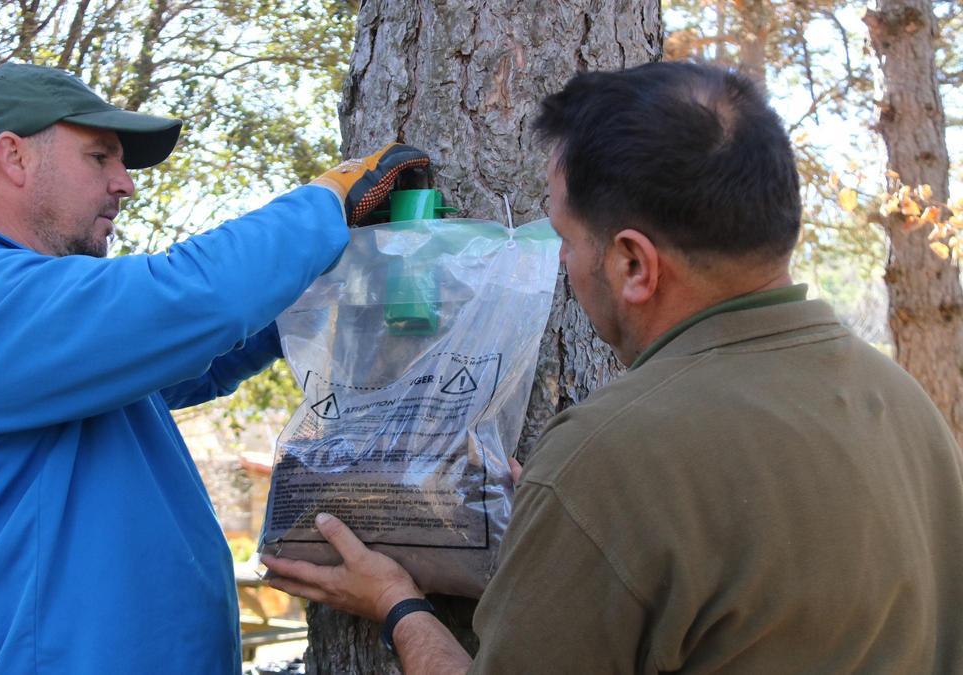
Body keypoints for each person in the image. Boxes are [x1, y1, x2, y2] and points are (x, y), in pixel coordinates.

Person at [262, 61, 963, 673]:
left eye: (564, 238)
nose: (563, 265)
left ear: (632, 263)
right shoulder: (907, 408)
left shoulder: (610, 458)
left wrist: (395, 603)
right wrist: (555, 547)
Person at [0, 62, 427, 673]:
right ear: (14, 156)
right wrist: (324, 206)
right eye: (100, 157)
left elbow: (202, 352)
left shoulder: (38, 317)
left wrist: (324, 271)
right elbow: (191, 298)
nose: (124, 184)